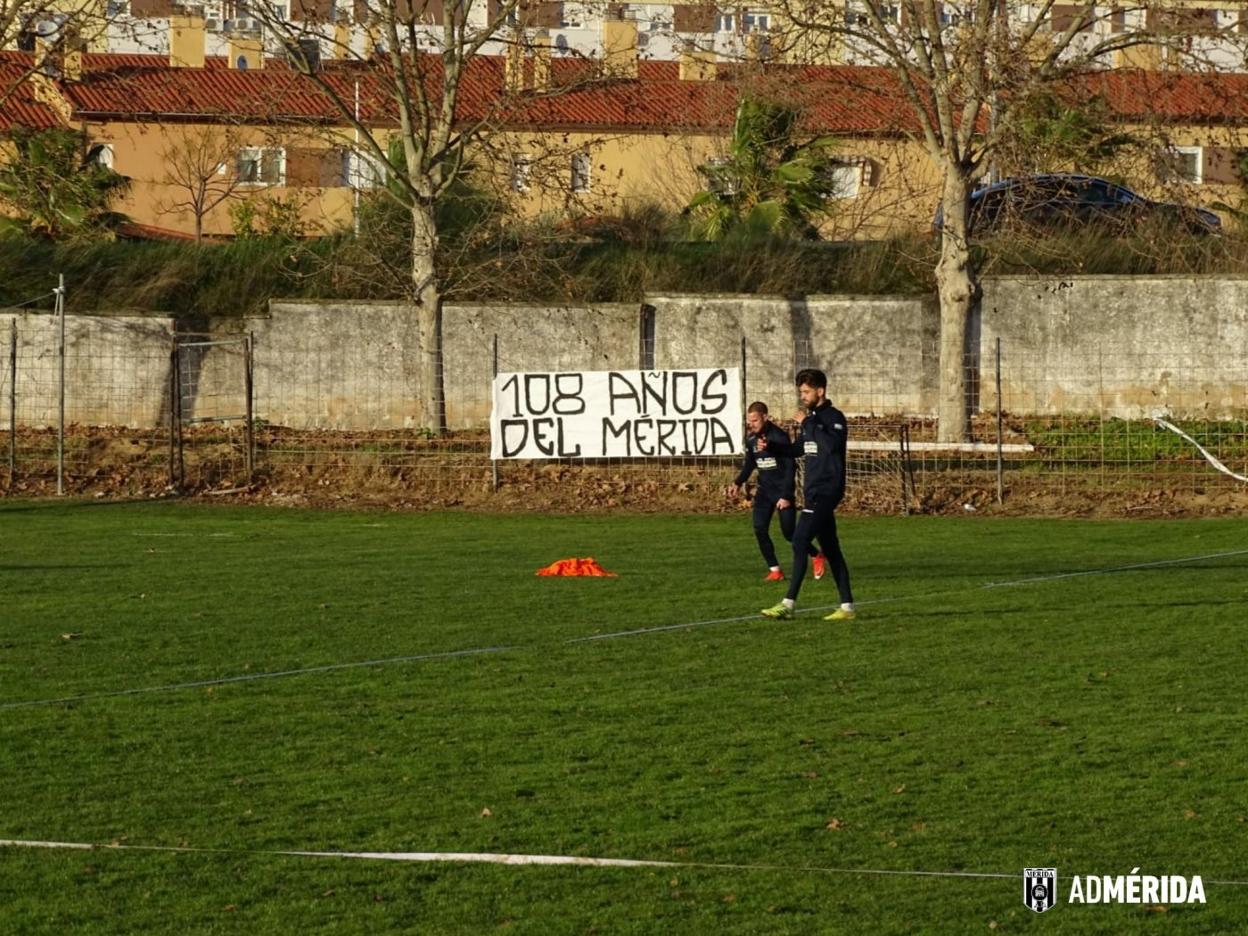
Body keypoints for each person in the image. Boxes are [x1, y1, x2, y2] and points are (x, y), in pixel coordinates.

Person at [756, 368, 856, 622]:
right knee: (831, 549)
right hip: (813, 491)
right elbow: (798, 449)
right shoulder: (811, 420)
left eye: (807, 391)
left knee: (800, 541)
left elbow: (831, 445)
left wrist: (808, 423)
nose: (803, 396)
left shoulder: (834, 418)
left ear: (820, 391)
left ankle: (788, 604)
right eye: (801, 391)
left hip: (827, 490)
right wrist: (773, 447)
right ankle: (847, 608)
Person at [727, 401, 826, 582]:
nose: (752, 424)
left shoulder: (779, 437)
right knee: (759, 528)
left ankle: (816, 555)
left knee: (789, 534)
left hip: (781, 492)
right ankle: (775, 570)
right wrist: (738, 482)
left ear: (765, 417)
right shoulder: (751, 439)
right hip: (764, 491)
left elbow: (790, 466)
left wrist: (786, 495)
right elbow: (750, 464)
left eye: (755, 420)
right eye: (749, 421)